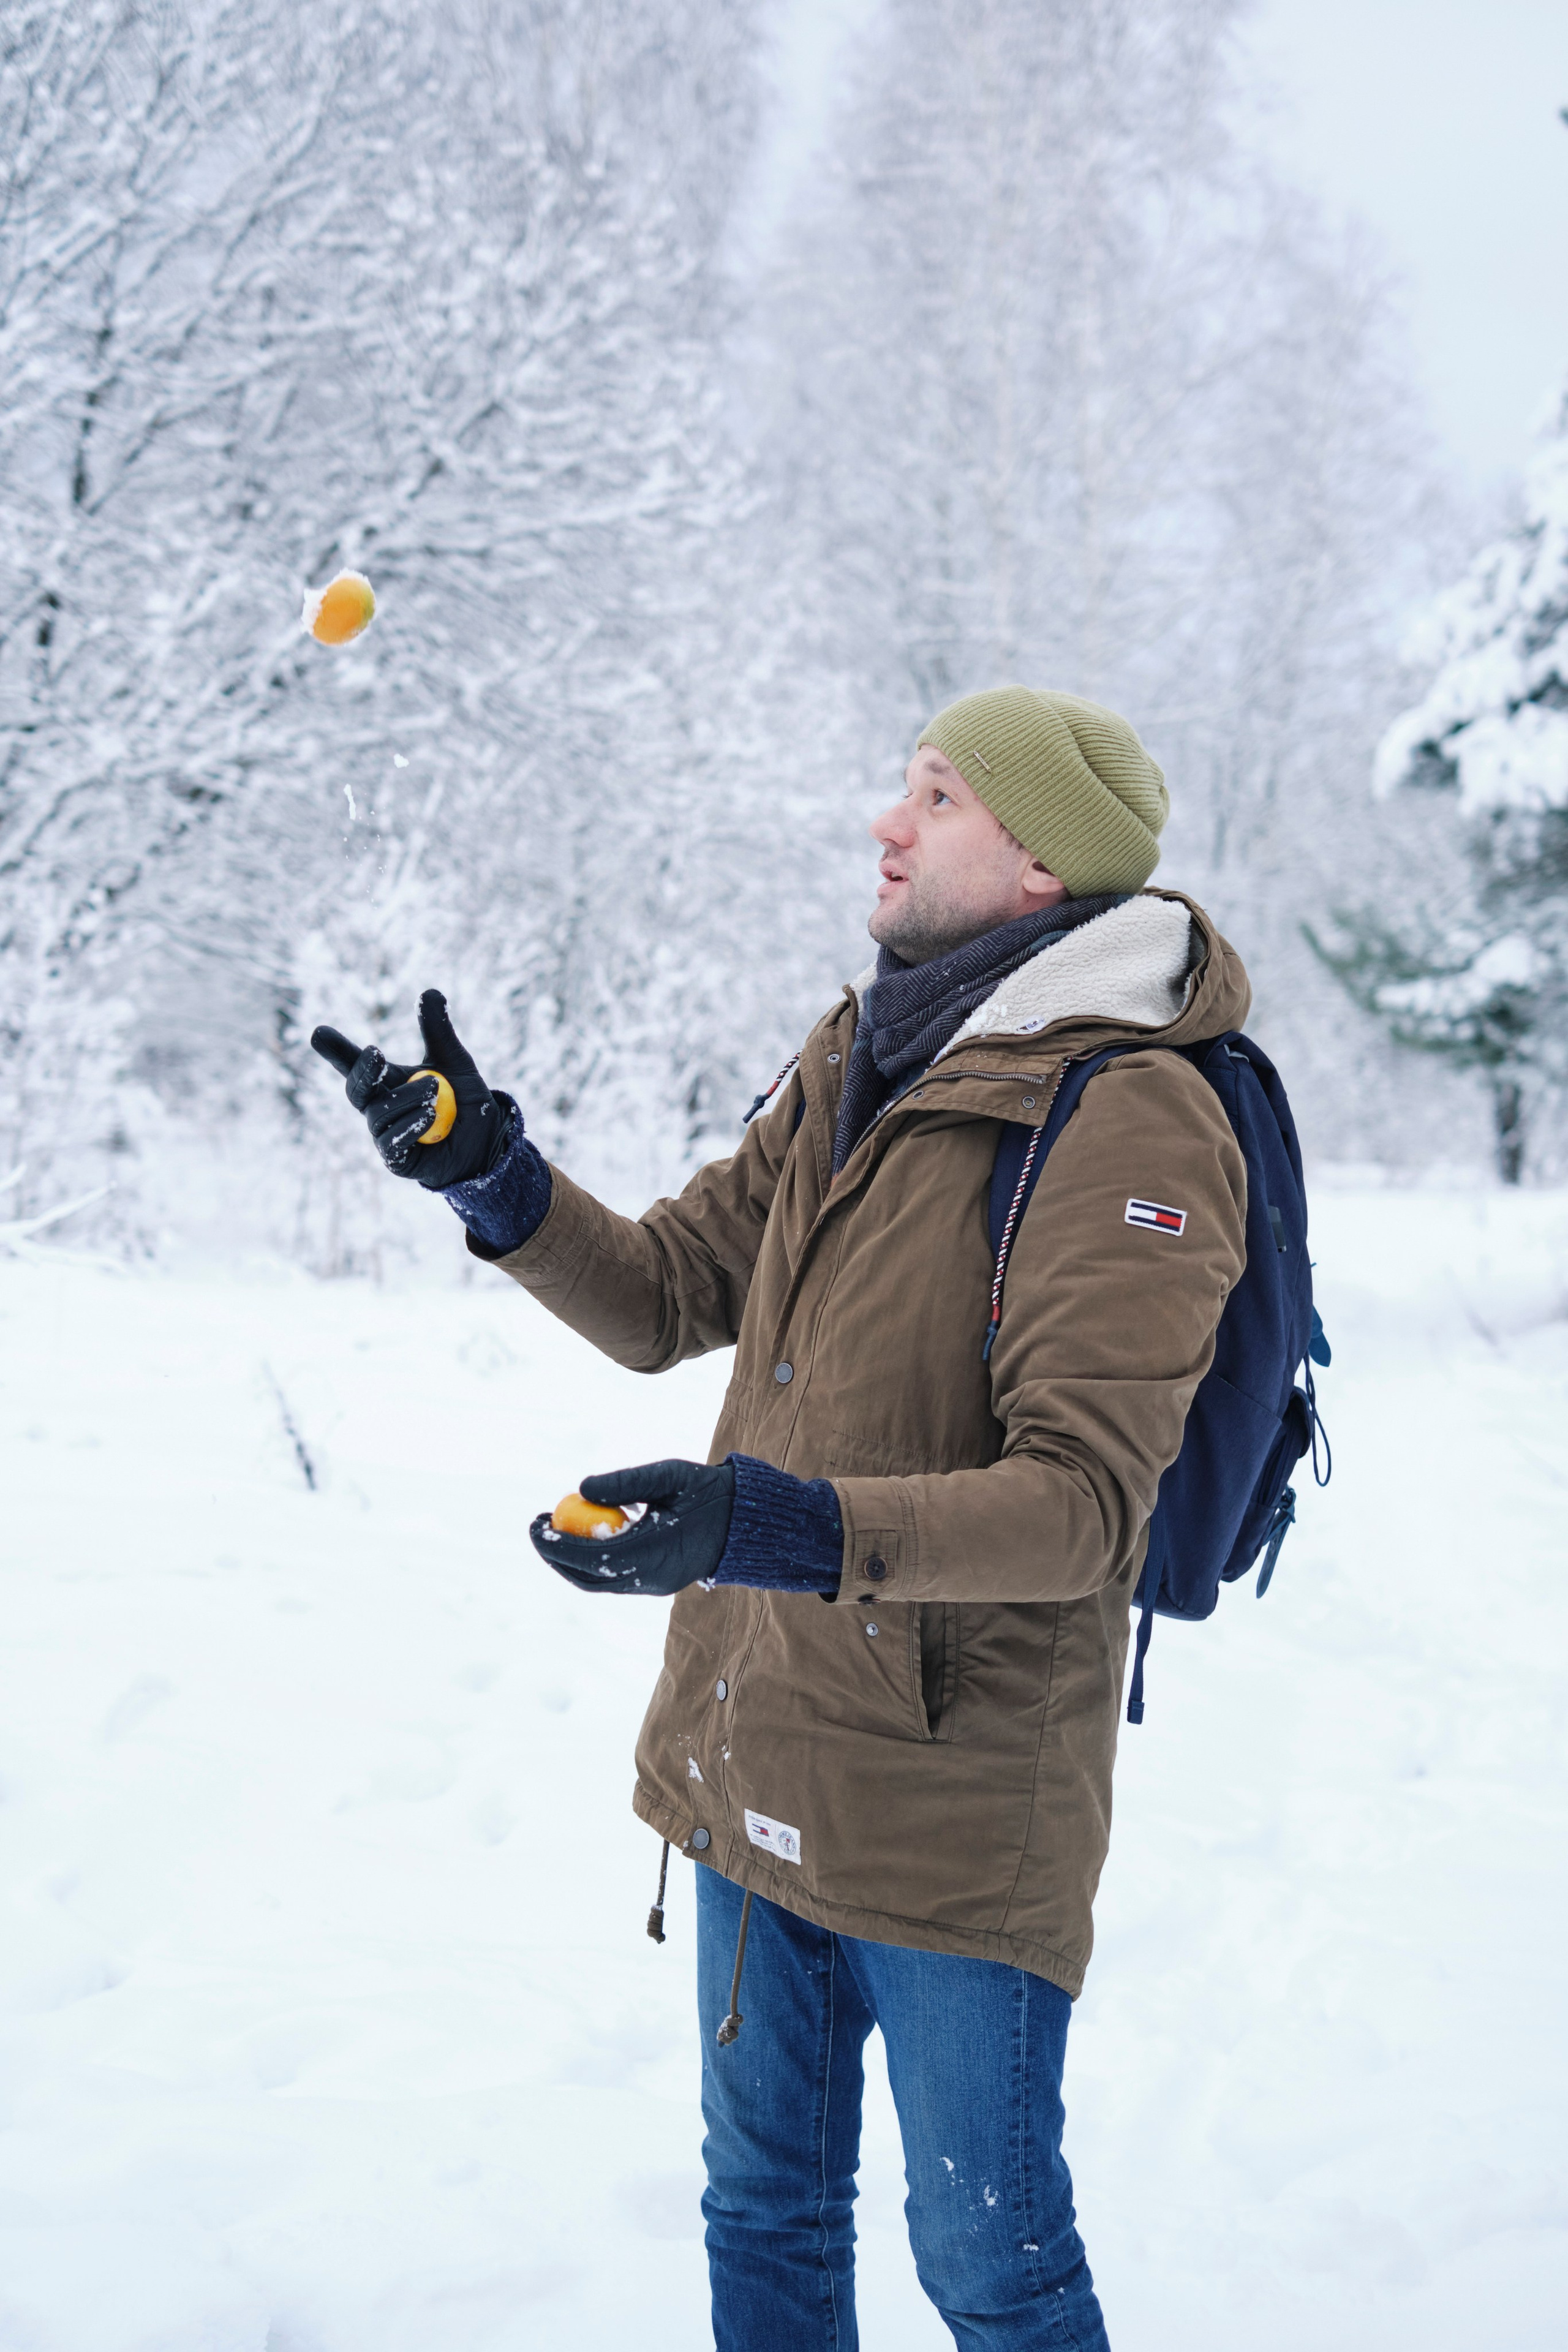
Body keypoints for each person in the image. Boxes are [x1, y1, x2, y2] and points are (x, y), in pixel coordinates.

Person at [314, 684, 1250, 2351]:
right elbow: (676, 1287)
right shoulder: (866, 1050)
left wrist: (768, 1525)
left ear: (1039, 862)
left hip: (958, 1818)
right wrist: (493, 1178)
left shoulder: (1128, 1113)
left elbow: (1083, 1505)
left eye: (936, 796)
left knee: (997, 2271)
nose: (889, 823)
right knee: (761, 2211)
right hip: (758, 1753)